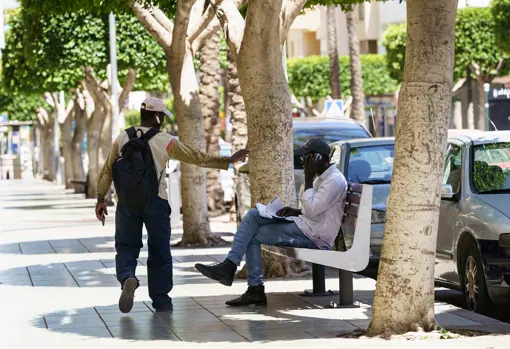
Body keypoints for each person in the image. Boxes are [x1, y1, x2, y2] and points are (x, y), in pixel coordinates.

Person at [94, 97, 248, 313]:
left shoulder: (122, 137)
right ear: (157, 116)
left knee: (126, 246)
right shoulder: (165, 140)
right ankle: (161, 300)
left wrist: (101, 198)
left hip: (126, 202)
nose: (163, 120)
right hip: (156, 202)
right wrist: (227, 161)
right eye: (162, 116)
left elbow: (107, 170)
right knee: (159, 250)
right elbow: (196, 157)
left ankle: (128, 277)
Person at [195, 138, 348, 306]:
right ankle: (233, 270)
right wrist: (296, 211)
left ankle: (249, 284)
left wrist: (308, 177)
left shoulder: (333, 180)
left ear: (318, 158)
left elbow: (313, 210)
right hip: (307, 226)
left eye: (306, 159)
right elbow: (316, 210)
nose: (304, 163)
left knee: (253, 234)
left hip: (316, 236)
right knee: (254, 215)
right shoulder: (323, 177)